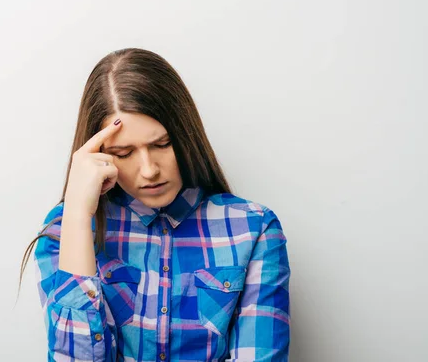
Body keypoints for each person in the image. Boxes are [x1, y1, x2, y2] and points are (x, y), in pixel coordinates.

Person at [18, 48, 291, 361]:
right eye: (124, 153)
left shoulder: (254, 229)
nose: (148, 170)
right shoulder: (63, 230)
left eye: (162, 144)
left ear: (186, 134)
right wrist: (79, 216)